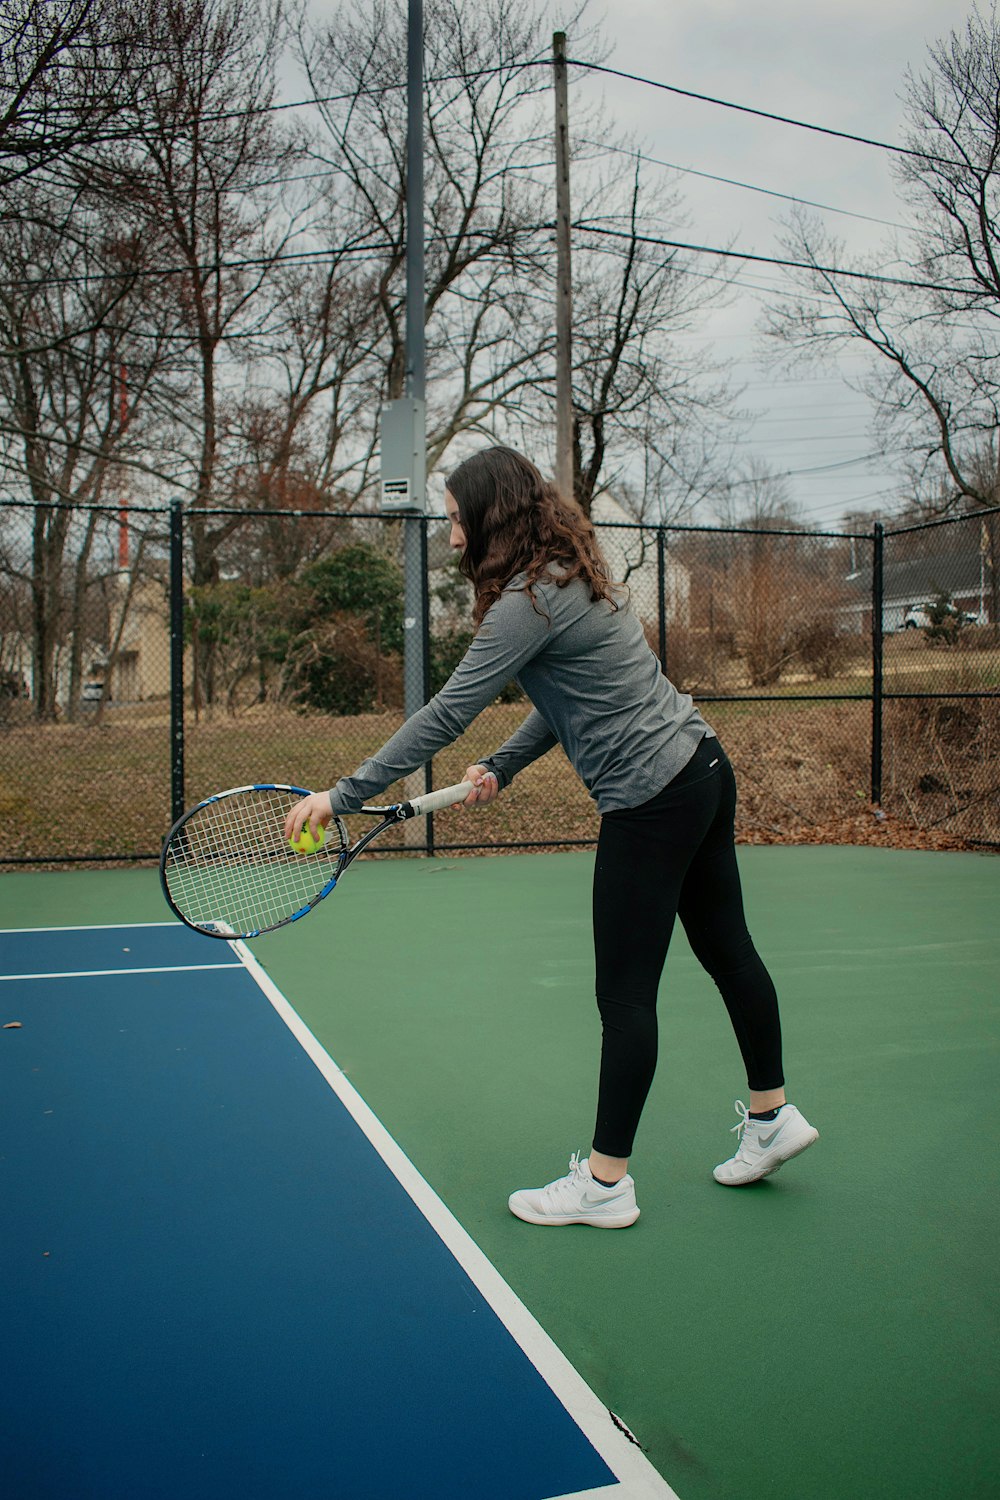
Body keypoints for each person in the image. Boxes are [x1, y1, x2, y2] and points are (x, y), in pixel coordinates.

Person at [286, 446, 818, 1228]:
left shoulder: (525, 603)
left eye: (458, 517)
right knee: (728, 950)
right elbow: (562, 697)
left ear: (489, 517)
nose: (452, 530)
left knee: (627, 996)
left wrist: (343, 793)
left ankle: (606, 1186)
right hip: (702, 769)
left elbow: (446, 712)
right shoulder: (574, 574)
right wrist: (505, 763)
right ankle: (773, 1119)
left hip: (652, 800)